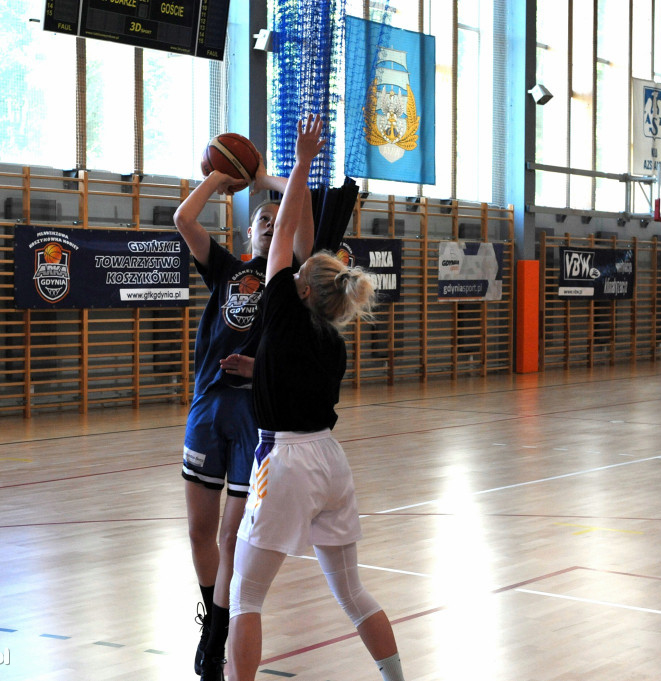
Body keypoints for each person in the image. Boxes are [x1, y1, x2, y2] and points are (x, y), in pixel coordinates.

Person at [226, 114, 407, 681]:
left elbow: (280, 236)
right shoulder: (330, 338)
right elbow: (293, 376)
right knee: (352, 591)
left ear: (301, 287)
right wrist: (257, 368)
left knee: (246, 596)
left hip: (283, 461)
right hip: (330, 460)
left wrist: (301, 162)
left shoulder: (280, 305)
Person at [173, 150, 315, 681]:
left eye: (278, 221)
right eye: (261, 218)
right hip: (207, 409)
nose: (270, 224)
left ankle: (221, 630)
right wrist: (221, 175)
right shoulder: (226, 270)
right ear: (247, 229)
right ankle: (212, 616)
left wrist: (265, 179)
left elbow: (305, 213)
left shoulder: (291, 281)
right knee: (198, 533)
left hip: (255, 418)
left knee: (231, 537)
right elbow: (183, 219)